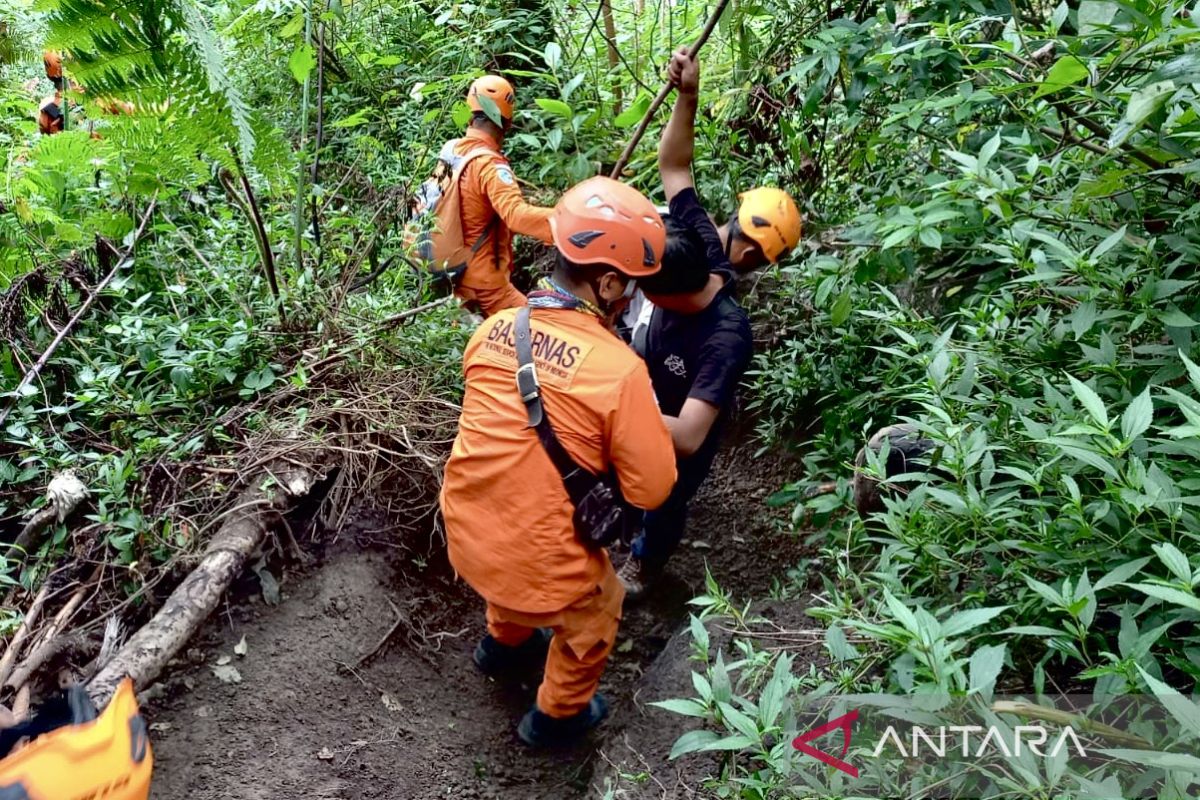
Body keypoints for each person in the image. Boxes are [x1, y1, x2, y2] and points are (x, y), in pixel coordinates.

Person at [440, 176, 677, 747]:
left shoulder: (494, 329)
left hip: (467, 531)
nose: (634, 299)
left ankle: (502, 643)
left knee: (520, 518)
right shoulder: (618, 370)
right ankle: (555, 717)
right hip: (536, 563)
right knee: (599, 608)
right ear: (609, 281)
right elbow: (652, 490)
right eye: (633, 288)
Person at [614, 48, 801, 599]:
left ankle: (646, 563)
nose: (720, 230)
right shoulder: (694, 242)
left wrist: (613, 405)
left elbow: (690, 436)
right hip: (643, 386)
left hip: (676, 421)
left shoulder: (726, 337)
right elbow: (674, 167)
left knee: (667, 497)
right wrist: (688, 95)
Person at [435, 75, 556, 317]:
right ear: (507, 123)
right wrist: (570, 220)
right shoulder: (489, 165)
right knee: (544, 331)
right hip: (487, 287)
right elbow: (516, 216)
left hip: (451, 275)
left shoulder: (450, 150)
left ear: (470, 112)